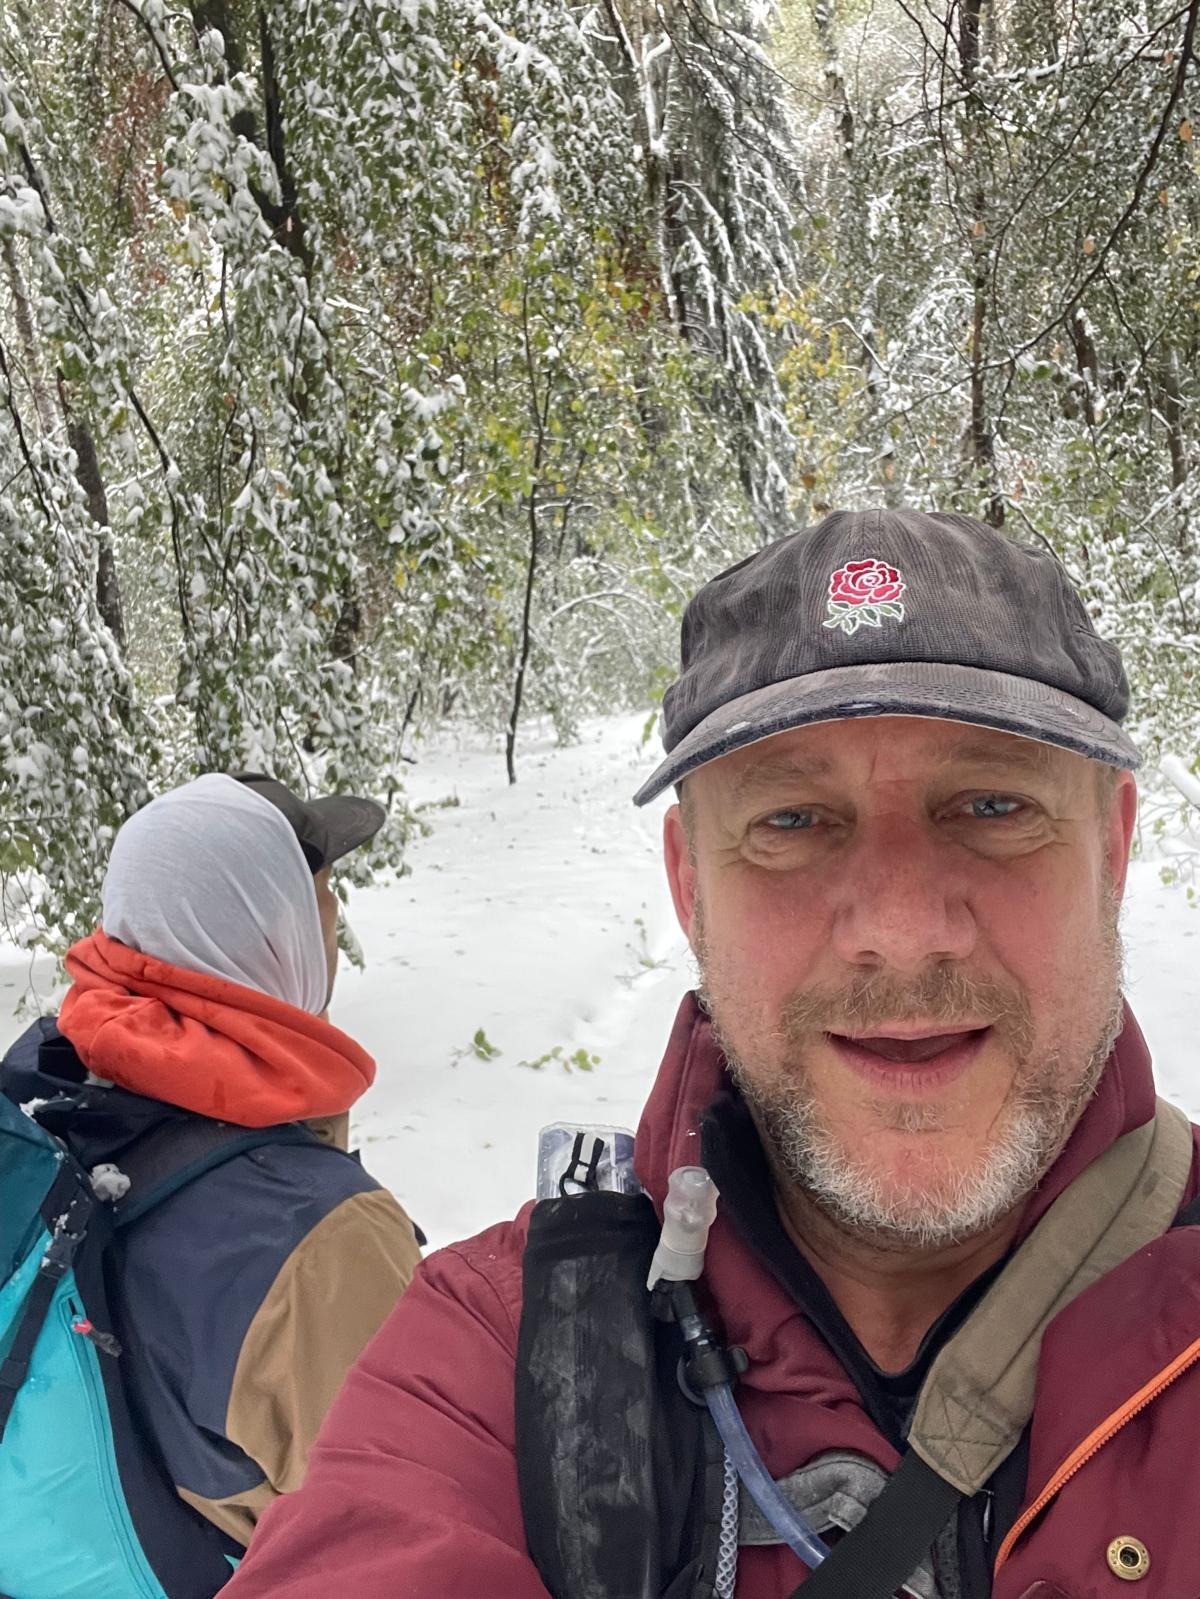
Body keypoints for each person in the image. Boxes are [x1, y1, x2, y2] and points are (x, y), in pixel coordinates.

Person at [222, 510, 1200, 1599]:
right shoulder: (492, 1359)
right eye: (794, 821)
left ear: (1113, 849)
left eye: (992, 804)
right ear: (690, 886)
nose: (901, 928)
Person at [0, 772, 422, 1557]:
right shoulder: (323, 1242)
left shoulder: (53, 1093)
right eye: (320, 894)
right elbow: (423, 1538)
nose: (336, 918)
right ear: (273, 932)